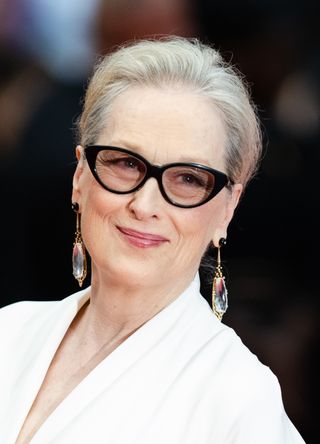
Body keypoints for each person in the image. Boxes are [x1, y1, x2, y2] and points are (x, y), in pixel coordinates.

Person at [0, 37, 306, 444]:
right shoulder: (10, 332)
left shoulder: (236, 398)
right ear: (80, 177)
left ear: (228, 208)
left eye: (188, 179)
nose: (145, 205)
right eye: (126, 163)